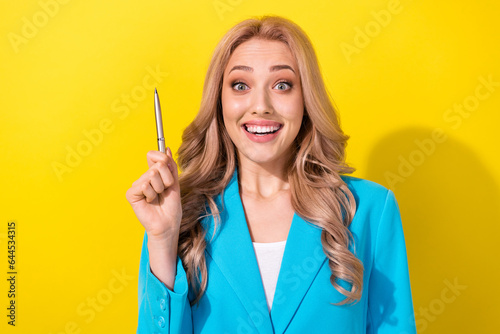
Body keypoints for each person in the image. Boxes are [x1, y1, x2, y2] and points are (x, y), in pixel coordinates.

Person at [126, 15, 417, 334]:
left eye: (282, 85)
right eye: (240, 85)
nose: (261, 105)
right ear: (219, 101)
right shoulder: (179, 216)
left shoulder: (371, 210)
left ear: (306, 99)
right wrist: (163, 239)